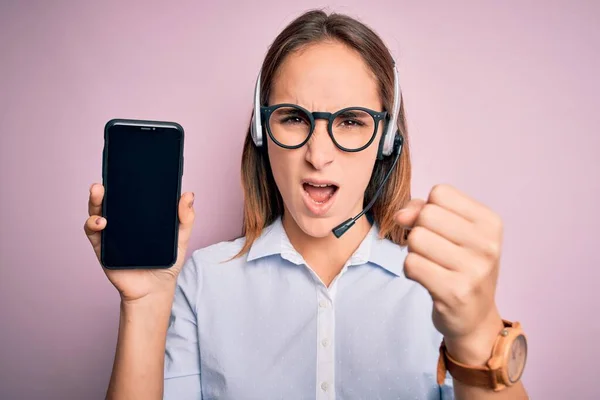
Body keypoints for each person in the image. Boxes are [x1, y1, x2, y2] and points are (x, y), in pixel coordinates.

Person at [84, 9, 529, 400]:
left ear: (388, 140)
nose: (318, 155)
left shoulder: (442, 285)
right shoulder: (202, 282)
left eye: (352, 121)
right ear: (262, 131)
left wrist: (477, 333)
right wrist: (143, 305)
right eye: (294, 118)